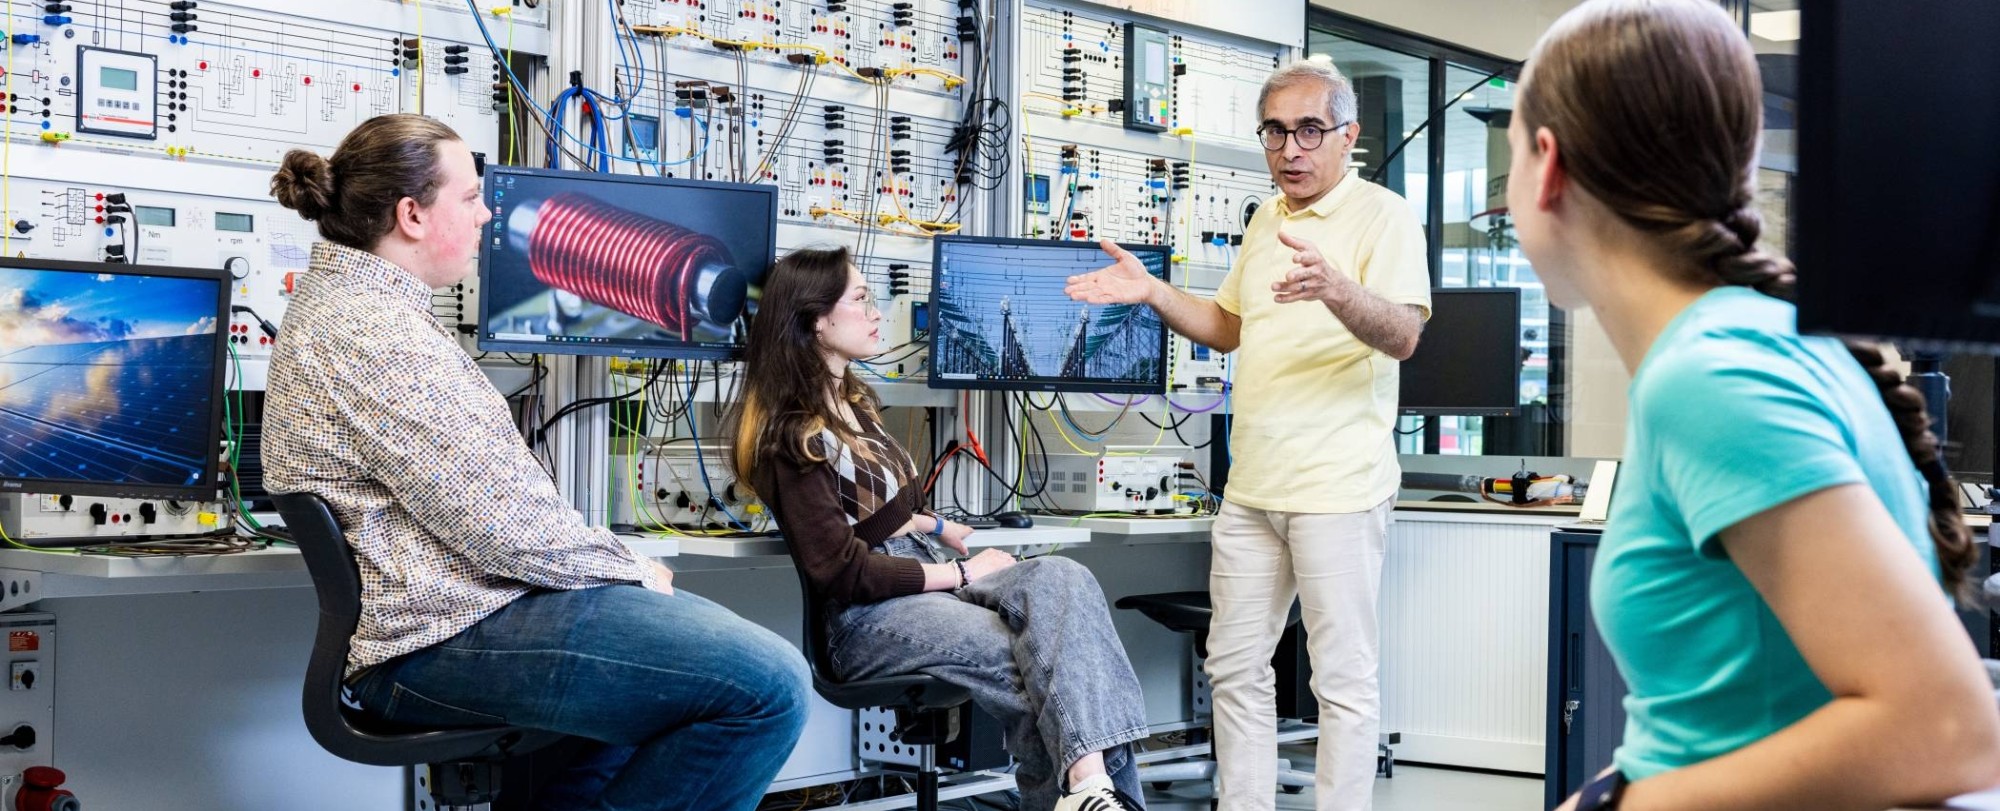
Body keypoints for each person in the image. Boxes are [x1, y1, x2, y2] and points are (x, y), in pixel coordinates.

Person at [1498, 3, 2000, 810]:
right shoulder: (1757, 341)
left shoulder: (1713, 375)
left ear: (1547, 164)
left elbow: (1945, 727)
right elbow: (1722, 721)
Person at [263, 113, 809, 811]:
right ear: (411, 215)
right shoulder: (371, 333)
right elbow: (501, 528)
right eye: (469, 197)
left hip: (472, 612)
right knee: (771, 689)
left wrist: (615, 573)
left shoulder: (359, 311)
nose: (489, 211)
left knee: (664, 689)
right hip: (441, 637)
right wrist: (629, 567)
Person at [1067, 57, 1429, 811]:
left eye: (1309, 131)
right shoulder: (1267, 219)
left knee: (1342, 680)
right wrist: (1154, 292)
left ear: (1346, 136)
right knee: (1234, 667)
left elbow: (1401, 335)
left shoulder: (1384, 216)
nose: (1291, 149)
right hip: (1254, 489)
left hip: (1338, 488)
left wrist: (1336, 288)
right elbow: (1228, 328)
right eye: (1276, 132)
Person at [731, 246, 1148, 811]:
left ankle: (1089, 788)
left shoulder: (854, 402)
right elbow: (841, 569)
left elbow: (876, 510)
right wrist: (960, 572)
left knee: (1063, 580)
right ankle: (1095, 794)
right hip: (867, 615)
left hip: (923, 564)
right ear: (814, 320)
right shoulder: (790, 436)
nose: (877, 312)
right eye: (861, 300)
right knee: (1040, 662)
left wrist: (938, 523)